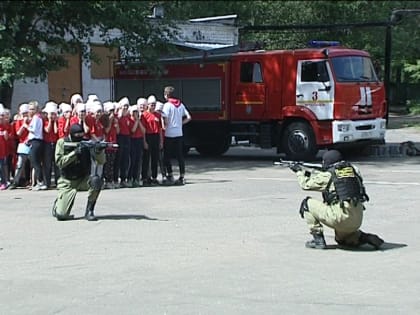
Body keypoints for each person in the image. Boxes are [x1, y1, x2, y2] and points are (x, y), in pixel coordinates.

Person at [290, 149, 384, 250]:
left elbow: (305, 185)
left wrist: (299, 172)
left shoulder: (328, 175)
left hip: (340, 217)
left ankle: (318, 240)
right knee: (341, 240)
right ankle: (363, 237)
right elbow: (341, 181)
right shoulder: (354, 170)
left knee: (307, 204)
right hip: (357, 218)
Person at [52, 124, 106, 221]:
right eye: (77, 135)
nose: (80, 137)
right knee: (62, 215)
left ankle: (89, 211)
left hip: (83, 179)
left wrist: (99, 150)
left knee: (96, 181)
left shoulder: (87, 143)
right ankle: (58, 205)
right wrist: (75, 153)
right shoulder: (62, 143)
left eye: (81, 135)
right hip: (67, 182)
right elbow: (59, 162)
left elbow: (101, 161)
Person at [161, 86, 191, 185]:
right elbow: (189, 117)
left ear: (166, 95)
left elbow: (165, 118)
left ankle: (170, 174)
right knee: (180, 155)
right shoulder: (180, 105)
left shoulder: (167, 105)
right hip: (179, 133)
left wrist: (165, 125)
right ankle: (182, 176)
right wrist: (181, 123)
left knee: (167, 156)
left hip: (169, 133)